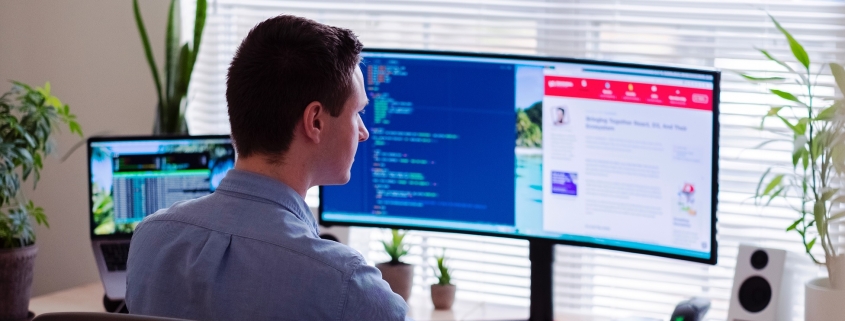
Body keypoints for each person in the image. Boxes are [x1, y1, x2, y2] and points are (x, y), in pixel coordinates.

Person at [126, 15, 409, 321]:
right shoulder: (345, 284)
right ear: (315, 121)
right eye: (357, 113)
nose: (364, 131)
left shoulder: (150, 240)